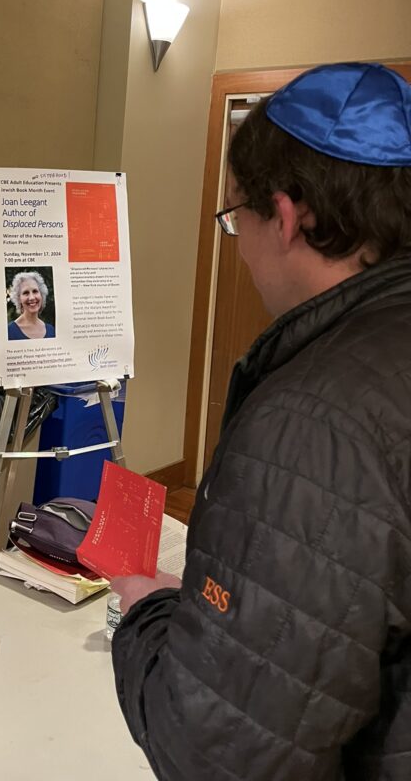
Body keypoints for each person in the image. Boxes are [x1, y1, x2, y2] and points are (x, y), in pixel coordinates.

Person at [111, 63, 411, 780]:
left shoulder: (312, 422)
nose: (236, 245)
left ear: (284, 215)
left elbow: (221, 750)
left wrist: (148, 611)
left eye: (233, 217)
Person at [7, 270, 55, 340]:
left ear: (41, 295)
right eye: (26, 292)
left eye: (35, 291)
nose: (32, 297)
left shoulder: (51, 330)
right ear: (18, 298)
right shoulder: (9, 332)